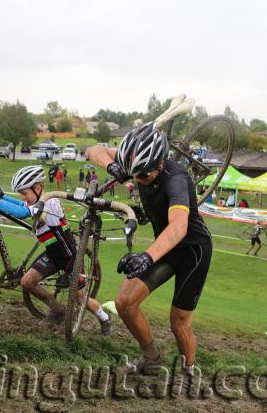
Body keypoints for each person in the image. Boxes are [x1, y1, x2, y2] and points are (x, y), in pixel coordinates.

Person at [85, 122, 213, 377]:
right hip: (165, 248)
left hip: (193, 251)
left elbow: (178, 227)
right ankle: (152, 359)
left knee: (178, 322)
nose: (137, 179)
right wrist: (112, 165)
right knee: (125, 303)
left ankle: (189, 371)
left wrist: (147, 256)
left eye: (142, 175)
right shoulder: (138, 161)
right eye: (133, 174)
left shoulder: (176, 179)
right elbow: (93, 149)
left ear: (160, 163)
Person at [0, 165, 113, 334]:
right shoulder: (36, 201)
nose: (23, 197)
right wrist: (1, 195)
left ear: (38, 188)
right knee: (26, 282)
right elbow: (22, 204)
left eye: (25, 193)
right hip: (52, 254)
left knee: (80, 298)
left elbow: (21, 211)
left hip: (70, 257)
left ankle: (104, 318)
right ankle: (58, 310)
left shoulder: (51, 202)